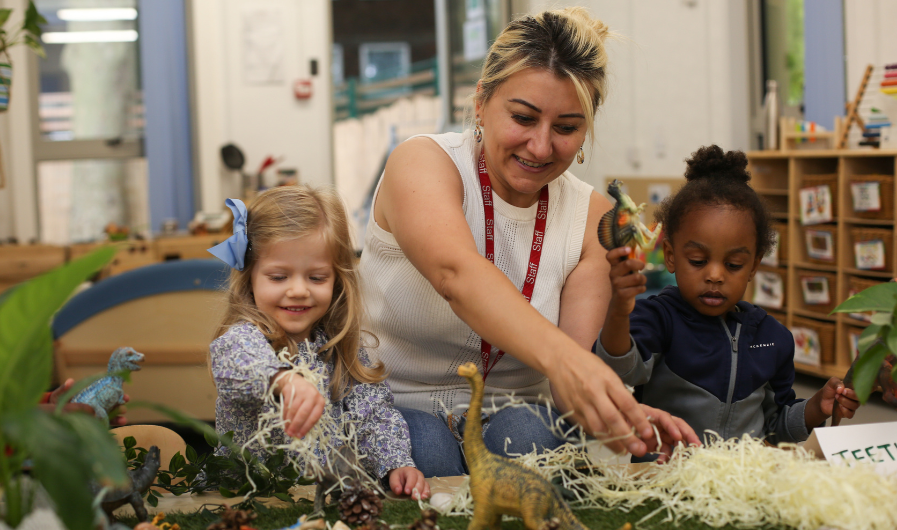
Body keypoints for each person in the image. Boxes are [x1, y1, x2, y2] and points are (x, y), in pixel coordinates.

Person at [359, 7, 699, 478]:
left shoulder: (592, 217)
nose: (540, 147)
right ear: (481, 102)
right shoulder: (423, 163)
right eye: (523, 117)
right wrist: (564, 362)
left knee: (534, 442)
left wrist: (619, 412)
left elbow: (568, 388)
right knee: (427, 452)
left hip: (515, 411)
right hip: (396, 403)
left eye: (565, 128)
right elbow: (455, 273)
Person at [595, 145, 861, 445]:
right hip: (666, 478)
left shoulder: (774, 338)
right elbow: (616, 374)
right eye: (697, 261)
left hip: (740, 483)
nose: (715, 275)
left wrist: (815, 408)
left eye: (734, 265)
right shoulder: (657, 318)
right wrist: (619, 308)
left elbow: (776, 426)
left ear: (753, 266)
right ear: (671, 256)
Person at [207, 186, 428, 499]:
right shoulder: (246, 339)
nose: (298, 290)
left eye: (316, 277)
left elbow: (372, 416)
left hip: (324, 497)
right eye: (279, 277)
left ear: (337, 279)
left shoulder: (338, 348)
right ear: (250, 277)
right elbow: (234, 360)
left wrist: (396, 463)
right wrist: (283, 380)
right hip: (254, 496)